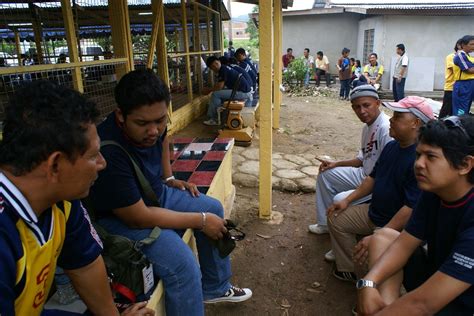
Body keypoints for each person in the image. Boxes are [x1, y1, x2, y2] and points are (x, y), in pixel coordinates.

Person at [88, 69, 252, 316]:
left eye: (160, 120)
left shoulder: (154, 122)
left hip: (154, 195)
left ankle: (215, 287)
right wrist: (201, 221)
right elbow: (138, 218)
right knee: (183, 266)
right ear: (120, 115)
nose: (153, 130)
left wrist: (169, 177)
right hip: (120, 219)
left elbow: (164, 138)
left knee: (214, 207)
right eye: (143, 123)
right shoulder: (109, 151)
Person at [0, 80, 153, 316]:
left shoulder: (63, 200)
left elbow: (85, 265)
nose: (103, 163)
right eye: (93, 155)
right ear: (55, 165)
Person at [357, 115, 474, 315]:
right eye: (418, 155)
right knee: (384, 237)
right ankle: (386, 305)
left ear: (464, 165)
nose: (419, 164)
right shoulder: (434, 192)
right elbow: (404, 243)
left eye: (431, 157)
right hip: (439, 275)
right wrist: (367, 282)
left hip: (464, 303)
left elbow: (423, 304)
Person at [327, 96, 434, 282]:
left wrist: (382, 233)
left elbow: (410, 209)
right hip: (374, 212)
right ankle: (349, 270)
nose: (391, 119)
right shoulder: (392, 146)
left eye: (398, 116)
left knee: (368, 254)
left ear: (415, 123)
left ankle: (369, 293)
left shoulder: (421, 160)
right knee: (336, 219)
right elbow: (372, 178)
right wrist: (347, 200)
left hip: (395, 227)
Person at [309, 85, 392, 237]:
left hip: (376, 183)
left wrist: (351, 197)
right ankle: (325, 224)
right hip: (363, 174)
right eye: (356, 107)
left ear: (377, 103)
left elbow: (385, 174)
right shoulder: (367, 127)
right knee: (326, 173)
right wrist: (336, 164)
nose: (362, 111)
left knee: (340, 199)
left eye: (366, 105)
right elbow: (362, 159)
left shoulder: (386, 129)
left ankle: (342, 242)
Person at [202, 56, 253, 126]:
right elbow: (220, 86)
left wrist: (208, 90)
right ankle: (221, 116)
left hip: (243, 92)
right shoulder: (224, 68)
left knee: (215, 94)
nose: (215, 67)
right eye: (213, 66)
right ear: (211, 69)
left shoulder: (223, 69)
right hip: (243, 91)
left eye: (216, 64)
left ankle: (214, 119)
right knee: (219, 93)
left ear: (219, 62)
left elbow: (219, 87)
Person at [439, 39, 463, 119]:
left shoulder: (467, 58)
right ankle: (439, 124)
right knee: (446, 108)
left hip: (461, 87)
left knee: (456, 109)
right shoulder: (451, 57)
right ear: (459, 46)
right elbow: (454, 68)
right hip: (451, 86)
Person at [452, 34, 474, 116]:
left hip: (470, 85)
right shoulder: (460, 55)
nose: (473, 46)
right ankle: (458, 125)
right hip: (464, 85)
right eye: (471, 44)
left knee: (466, 108)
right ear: (463, 45)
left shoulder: (468, 56)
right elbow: (469, 70)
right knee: (461, 109)